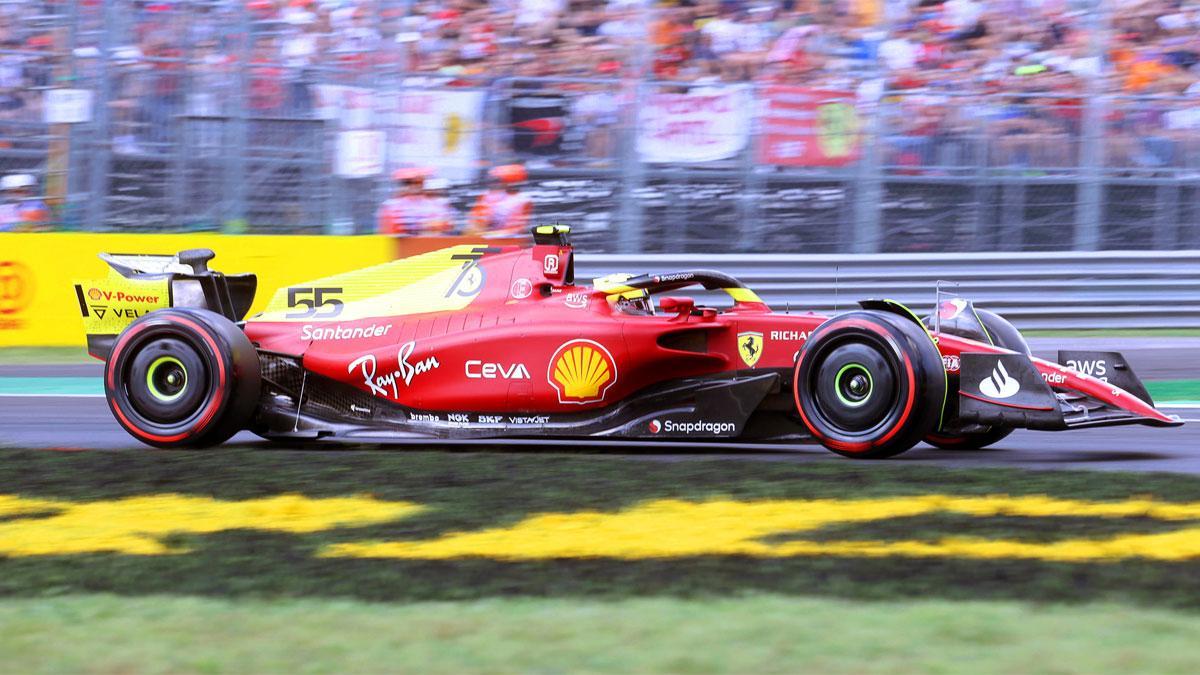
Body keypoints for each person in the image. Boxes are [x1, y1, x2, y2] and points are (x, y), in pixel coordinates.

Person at [376, 167, 453, 236]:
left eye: (419, 182)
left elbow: (447, 225)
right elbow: (388, 231)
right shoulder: (392, 206)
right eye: (410, 182)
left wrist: (432, 225)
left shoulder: (438, 204)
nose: (415, 185)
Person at [468, 164, 533, 236]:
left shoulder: (522, 200)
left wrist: (489, 234)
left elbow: (517, 229)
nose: (493, 183)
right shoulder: (486, 196)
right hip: (483, 236)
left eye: (497, 180)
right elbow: (476, 223)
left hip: (506, 239)